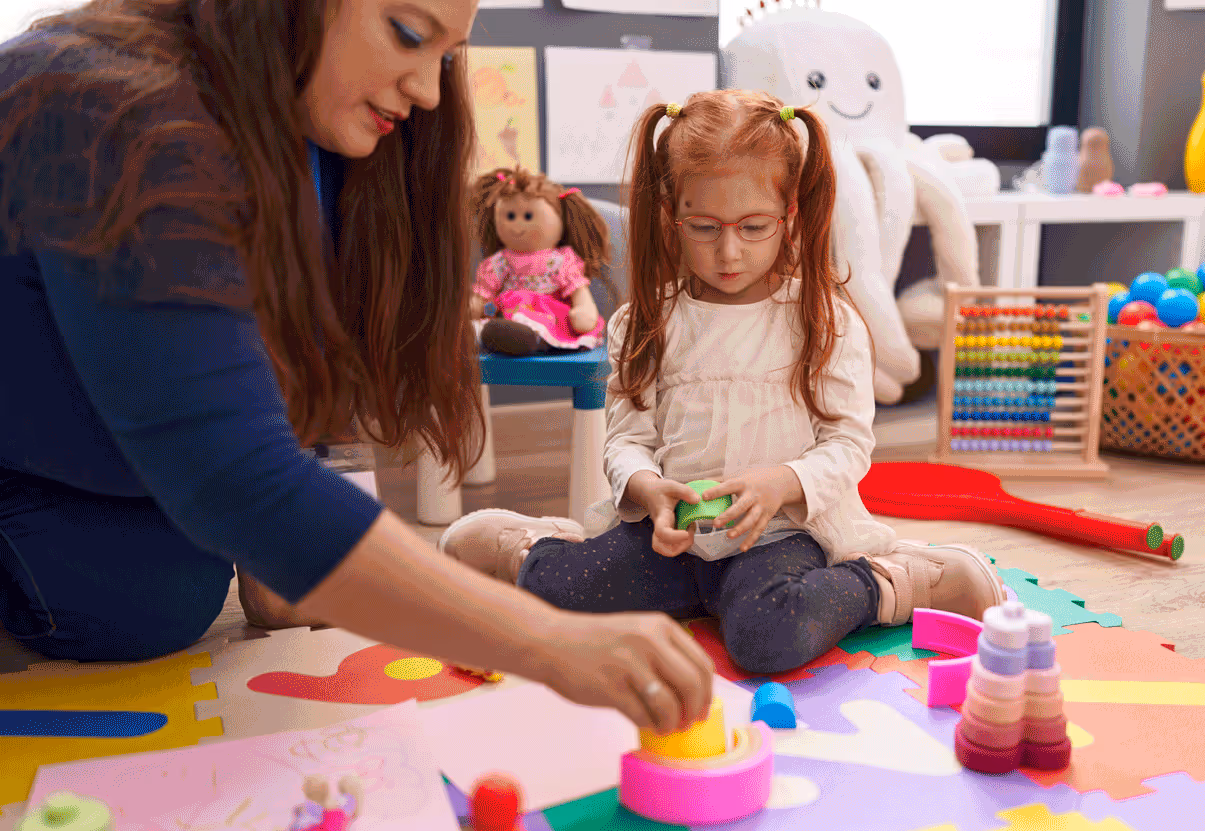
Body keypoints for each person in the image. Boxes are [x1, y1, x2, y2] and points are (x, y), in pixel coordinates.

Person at [0, 0, 712, 735]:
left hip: (113, 438)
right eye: (406, 35)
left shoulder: (314, 122)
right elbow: (233, 477)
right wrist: (547, 641)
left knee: (193, 579)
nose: (431, 92)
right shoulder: (112, 107)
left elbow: (294, 361)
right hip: (33, 456)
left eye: (446, 56)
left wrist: (289, 542)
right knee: (147, 603)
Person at [441, 90, 1006, 675]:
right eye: (705, 227)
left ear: (790, 218)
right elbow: (625, 438)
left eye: (754, 226)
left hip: (782, 535)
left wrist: (781, 483)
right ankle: (528, 548)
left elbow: (848, 444)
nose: (729, 250)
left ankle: (900, 579)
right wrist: (645, 487)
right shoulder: (643, 323)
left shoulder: (824, 319)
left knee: (769, 637)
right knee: (567, 594)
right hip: (674, 538)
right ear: (671, 217)